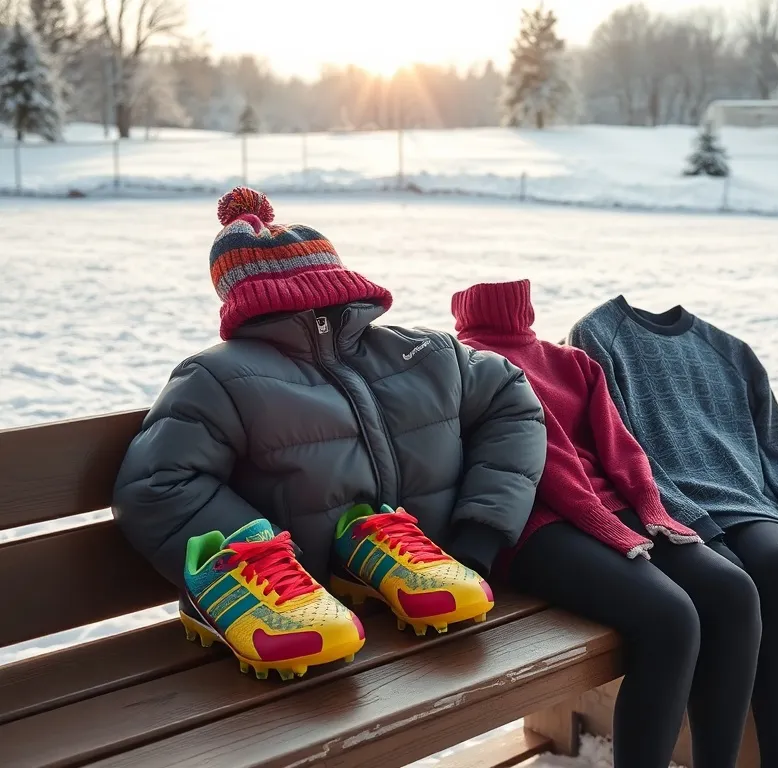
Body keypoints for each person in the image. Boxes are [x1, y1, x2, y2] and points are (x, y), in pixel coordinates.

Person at [112, 188, 547, 677]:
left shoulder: (427, 353)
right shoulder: (217, 379)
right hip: (293, 609)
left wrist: (478, 535)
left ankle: (380, 554)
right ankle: (278, 581)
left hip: (442, 584)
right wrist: (265, 560)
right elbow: (157, 484)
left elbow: (513, 403)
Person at [452, 279, 762, 768]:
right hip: (533, 523)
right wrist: (607, 522)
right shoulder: (464, 361)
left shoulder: (570, 362)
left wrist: (648, 507)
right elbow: (543, 459)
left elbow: (620, 446)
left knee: (734, 592)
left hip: (609, 510)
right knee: (672, 619)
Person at [571, 296, 778, 768]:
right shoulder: (598, 336)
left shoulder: (730, 350)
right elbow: (625, 451)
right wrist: (699, 526)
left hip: (747, 503)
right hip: (663, 507)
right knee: (733, 591)